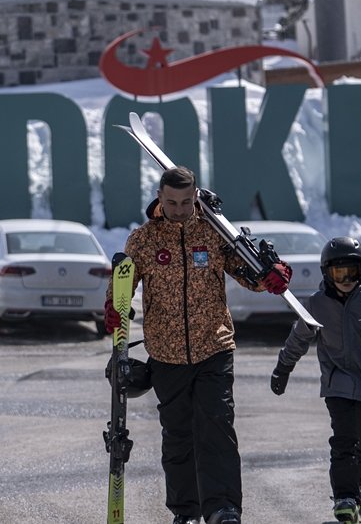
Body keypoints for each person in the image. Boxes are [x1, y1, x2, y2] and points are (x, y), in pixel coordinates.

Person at [104, 166, 292, 524]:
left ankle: (223, 508)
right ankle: (185, 511)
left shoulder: (214, 232)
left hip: (214, 348)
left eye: (186, 202)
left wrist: (271, 274)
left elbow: (247, 272)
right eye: (172, 202)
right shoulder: (143, 240)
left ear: (195, 198)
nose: (179, 209)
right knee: (178, 436)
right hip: (166, 354)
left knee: (217, 427)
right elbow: (122, 285)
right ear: (159, 198)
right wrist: (114, 307)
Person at [269, 237, 361, 523]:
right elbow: (298, 339)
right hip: (337, 385)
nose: (346, 280)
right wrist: (283, 368)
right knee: (344, 440)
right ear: (327, 273)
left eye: (351, 273)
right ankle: (344, 496)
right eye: (339, 274)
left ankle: (360, 486)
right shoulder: (316, 305)